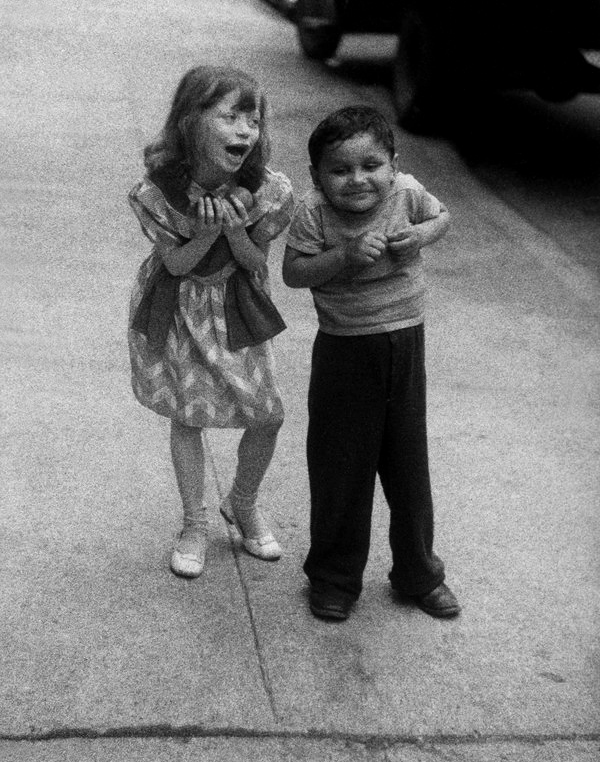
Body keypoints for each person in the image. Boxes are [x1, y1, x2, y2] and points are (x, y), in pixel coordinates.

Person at [282, 105, 460, 622]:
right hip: (344, 350)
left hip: (406, 342)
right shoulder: (314, 211)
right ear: (317, 176)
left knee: (408, 466)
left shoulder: (407, 191)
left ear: (393, 163)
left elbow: (442, 217)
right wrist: (343, 255)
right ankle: (335, 577)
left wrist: (422, 236)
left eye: (371, 165)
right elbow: (293, 272)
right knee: (341, 467)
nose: (358, 179)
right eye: (340, 170)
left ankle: (418, 574)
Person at [128, 66, 294, 579]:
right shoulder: (157, 191)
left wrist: (235, 226)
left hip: (237, 307)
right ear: (190, 122)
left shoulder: (266, 189)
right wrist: (202, 233)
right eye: (232, 117)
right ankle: (193, 523)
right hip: (179, 308)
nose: (247, 129)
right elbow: (176, 264)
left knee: (267, 414)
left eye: (254, 119)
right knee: (189, 415)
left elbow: (254, 261)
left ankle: (242, 502)